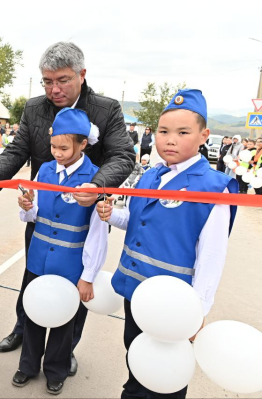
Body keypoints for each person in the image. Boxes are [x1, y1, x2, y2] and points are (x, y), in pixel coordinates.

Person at [0, 42, 135, 370]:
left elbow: (123, 156)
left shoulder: (106, 110)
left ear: (82, 75)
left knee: (76, 282)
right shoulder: (35, 108)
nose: (54, 89)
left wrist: (96, 185)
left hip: (83, 213)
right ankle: (24, 329)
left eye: (62, 80)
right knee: (33, 274)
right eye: (47, 81)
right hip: (42, 211)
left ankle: (65, 349)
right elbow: (17, 150)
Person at [97, 89, 238, 399]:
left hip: (173, 304)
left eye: (182, 132)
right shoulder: (149, 176)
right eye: (163, 131)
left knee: (165, 376)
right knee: (136, 358)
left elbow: (212, 255)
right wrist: (112, 216)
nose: (169, 139)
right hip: (135, 292)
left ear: (204, 135)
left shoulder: (214, 188)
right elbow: (136, 221)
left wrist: (197, 311)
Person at [13, 108, 108, 395]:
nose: (57, 153)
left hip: (71, 264)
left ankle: (56, 369)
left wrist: (89, 274)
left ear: (83, 145)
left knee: (65, 320)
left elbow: (98, 233)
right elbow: (35, 214)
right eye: (53, 146)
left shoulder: (94, 180)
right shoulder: (44, 170)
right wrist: (27, 208)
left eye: (64, 148)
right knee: (33, 312)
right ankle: (27, 365)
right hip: (39, 258)